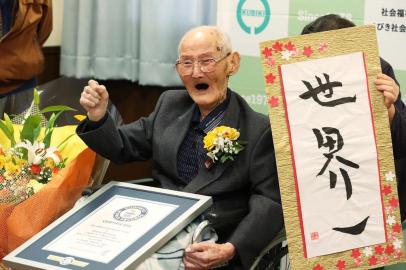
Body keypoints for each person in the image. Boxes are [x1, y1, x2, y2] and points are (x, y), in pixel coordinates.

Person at [77, 26, 284, 269]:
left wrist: (231, 249)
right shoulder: (170, 104)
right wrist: (98, 117)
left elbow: (270, 201)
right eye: (186, 63)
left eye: (207, 61)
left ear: (232, 64)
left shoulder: (258, 129)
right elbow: (123, 146)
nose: (196, 72)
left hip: (210, 235)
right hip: (155, 224)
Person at [301, 14, 406, 221]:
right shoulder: (298, 70)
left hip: (370, 190)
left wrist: (390, 111)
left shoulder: (377, 71)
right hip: (317, 185)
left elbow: (402, 143)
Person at [0, 0, 52, 115]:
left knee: (27, 131)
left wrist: (25, 53)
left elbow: (44, 29)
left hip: (23, 81)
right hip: (23, 72)